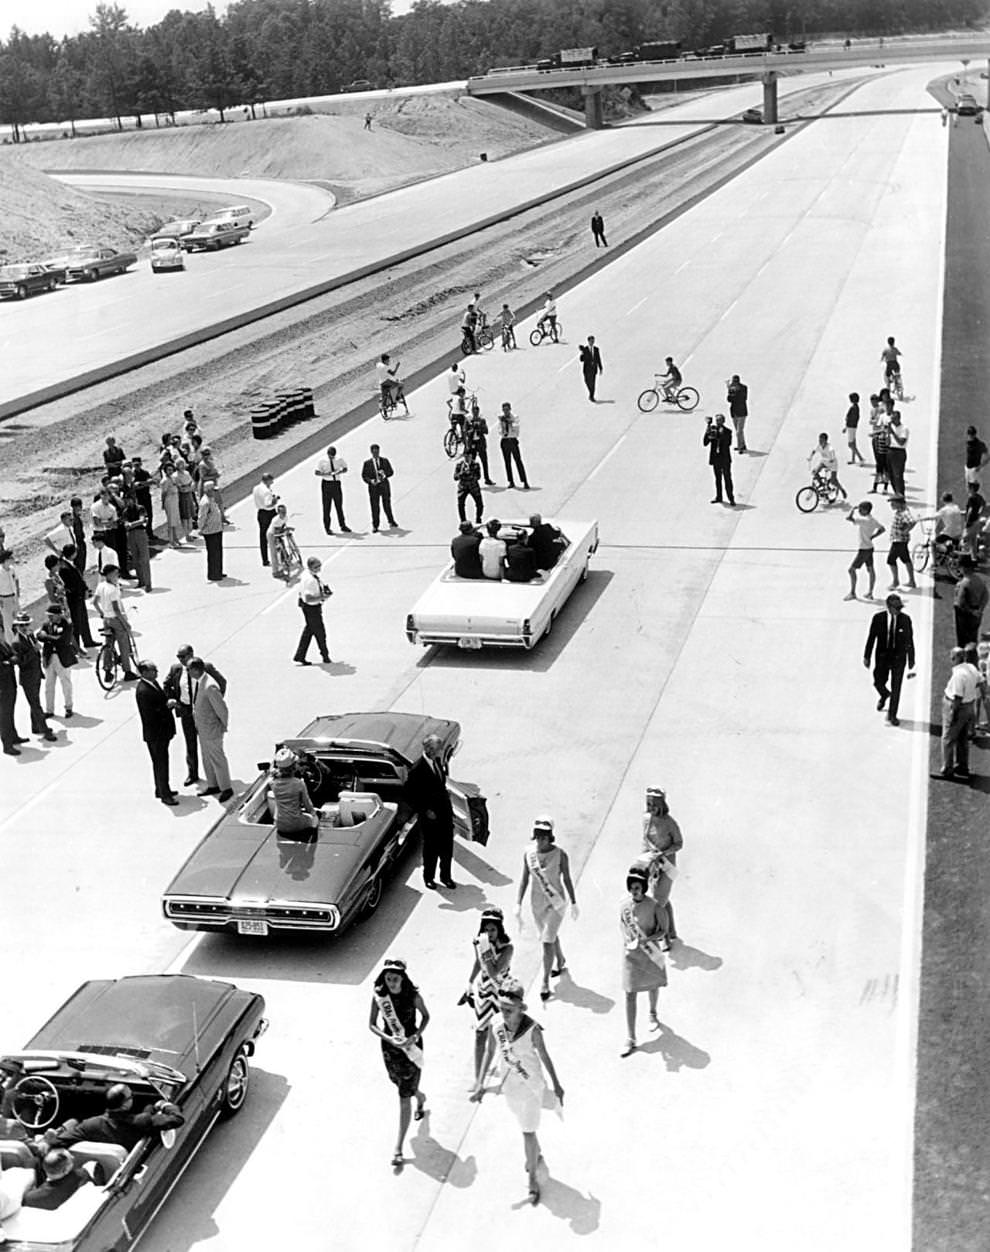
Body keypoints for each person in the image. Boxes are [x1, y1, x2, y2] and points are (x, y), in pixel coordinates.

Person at [469, 980, 564, 1206]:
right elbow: (490, 1052)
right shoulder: (497, 1026)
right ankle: (536, 1154)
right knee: (524, 1125)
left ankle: (532, 1178)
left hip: (531, 1086)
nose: (503, 1014)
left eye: (509, 1010)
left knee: (527, 1132)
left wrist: (557, 1084)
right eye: (501, 1008)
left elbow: (545, 1056)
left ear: (520, 1009)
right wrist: (480, 1082)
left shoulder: (532, 1029)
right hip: (510, 1087)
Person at [368, 959, 428, 1168]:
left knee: (403, 1097)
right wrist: (389, 1038)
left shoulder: (413, 996)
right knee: (401, 1085)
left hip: (411, 1049)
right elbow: (372, 1024)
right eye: (388, 978)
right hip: (390, 1049)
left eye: (395, 978)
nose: (391, 982)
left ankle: (399, 1148)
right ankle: (420, 1097)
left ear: (403, 978)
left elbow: (426, 1016)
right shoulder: (379, 997)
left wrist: (416, 1035)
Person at [516, 817, 577, 1001]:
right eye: (538, 836)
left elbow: (566, 878)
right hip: (537, 903)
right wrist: (518, 903)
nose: (541, 840)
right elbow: (525, 879)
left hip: (556, 903)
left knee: (547, 941)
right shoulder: (528, 853)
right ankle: (561, 960)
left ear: (550, 836)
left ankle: (544, 982)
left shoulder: (560, 855)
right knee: (548, 935)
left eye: (544, 836)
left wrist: (574, 902)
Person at [619, 864, 668, 1057]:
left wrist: (646, 940)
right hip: (631, 954)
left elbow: (663, 930)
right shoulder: (624, 905)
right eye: (631, 886)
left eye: (637, 886)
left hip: (650, 952)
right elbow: (622, 925)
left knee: (652, 986)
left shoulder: (655, 905)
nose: (634, 890)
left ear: (643, 887)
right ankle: (630, 1037)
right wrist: (627, 941)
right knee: (629, 993)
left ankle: (653, 1013)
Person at [49, 1083, 183, 1152]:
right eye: (131, 1097)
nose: (133, 1098)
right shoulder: (142, 1122)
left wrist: (50, 1137)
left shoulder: (91, 1124)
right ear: (125, 1105)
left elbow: (58, 1141)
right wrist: (163, 1104)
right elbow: (177, 1118)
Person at [463, 908, 514, 1085]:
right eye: (486, 930)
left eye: (492, 929)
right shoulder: (481, 944)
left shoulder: (507, 949)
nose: (489, 933)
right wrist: (469, 983)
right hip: (484, 993)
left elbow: (494, 972)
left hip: (501, 995)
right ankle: (478, 1079)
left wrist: (484, 949)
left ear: (499, 929)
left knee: (497, 1038)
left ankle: (492, 1068)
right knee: (479, 1035)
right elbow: (479, 963)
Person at [163, 645, 226, 786]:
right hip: (186, 711)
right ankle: (193, 774)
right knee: (190, 744)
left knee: (209, 745)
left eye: (183, 656)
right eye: (178, 657)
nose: (181, 660)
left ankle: (216, 776)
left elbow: (222, 682)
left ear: (191, 654)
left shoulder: (205, 667)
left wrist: (215, 702)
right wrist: (172, 699)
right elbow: (166, 685)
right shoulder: (176, 669)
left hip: (203, 713)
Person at [405, 733, 456, 889]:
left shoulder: (437, 762)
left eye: (439, 749)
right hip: (430, 818)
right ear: (427, 748)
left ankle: (446, 876)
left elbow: (440, 784)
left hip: (444, 813)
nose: (438, 752)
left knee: (447, 848)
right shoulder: (417, 769)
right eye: (435, 749)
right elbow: (409, 794)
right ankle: (429, 877)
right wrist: (425, 810)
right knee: (431, 850)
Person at [864, 592, 915, 726]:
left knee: (897, 686)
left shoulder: (905, 619)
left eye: (900, 608)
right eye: (896, 608)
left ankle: (892, 714)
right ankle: (884, 694)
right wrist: (867, 656)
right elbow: (871, 637)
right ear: (889, 607)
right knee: (878, 680)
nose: (899, 611)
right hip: (882, 657)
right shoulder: (878, 618)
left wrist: (911, 658)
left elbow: (909, 640)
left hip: (899, 658)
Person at [640, 786, 682, 944]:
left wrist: (664, 853)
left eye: (653, 805)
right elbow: (645, 840)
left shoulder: (670, 823)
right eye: (648, 804)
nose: (651, 808)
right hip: (652, 865)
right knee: (663, 899)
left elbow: (679, 843)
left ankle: (664, 937)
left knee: (658, 902)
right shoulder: (646, 819)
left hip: (667, 866)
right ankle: (671, 931)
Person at [188, 657, 233, 802]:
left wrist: (222, 726)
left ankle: (226, 788)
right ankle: (213, 784)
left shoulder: (209, 686)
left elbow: (222, 710)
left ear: (195, 670)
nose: (187, 672)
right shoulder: (201, 682)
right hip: (203, 729)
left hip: (212, 729)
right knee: (207, 758)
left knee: (217, 758)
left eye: (189, 669)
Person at [933, 647, 980, 780]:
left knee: (947, 738)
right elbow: (980, 681)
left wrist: (953, 714)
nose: (951, 660)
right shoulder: (971, 667)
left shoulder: (959, 675)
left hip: (957, 707)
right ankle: (962, 766)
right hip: (969, 706)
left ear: (957, 658)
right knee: (962, 738)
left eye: (952, 657)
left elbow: (957, 697)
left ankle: (947, 769)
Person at [135, 660, 177, 805]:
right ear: (145, 672)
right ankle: (165, 794)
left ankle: (161, 789)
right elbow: (151, 714)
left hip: (160, 733)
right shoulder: (143, 691)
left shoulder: (152, 684)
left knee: (160, 762)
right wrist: (168, 706)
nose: (156, 673)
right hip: (156, 734)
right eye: (153, 670)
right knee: (161, 763)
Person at [11, 613, 57, 743]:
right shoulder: (17, 642)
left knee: (35, 703)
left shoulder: (30, 636)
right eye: (21, 625)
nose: (25, 627)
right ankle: (45, 730)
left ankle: (36, 726)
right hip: (28, 678)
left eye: (26, 624)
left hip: (36, 674)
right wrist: (33, 649)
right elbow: (21, 661)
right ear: (17, 626)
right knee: (36, 705)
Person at [93, 564, 138, 681]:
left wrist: (102, 613)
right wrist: (125, 623)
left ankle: (107, 670)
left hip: (106, 619)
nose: (117, 576)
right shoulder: (112, 589)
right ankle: (127, 671)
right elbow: (116, 609)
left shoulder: (101, 586)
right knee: (123, 644)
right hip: (115, 619)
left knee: (109, 645)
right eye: (115, 573)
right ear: (109, 574)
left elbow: (94, 602)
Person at [38, 603, 76, 720]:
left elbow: (63, 640)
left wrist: (47, 637)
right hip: (50, 657)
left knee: (66, 683)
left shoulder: (67, 624)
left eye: (52, 615)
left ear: (59, 615)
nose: (49, 618)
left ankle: (68, 707)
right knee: (49, 685)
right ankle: (49, 710)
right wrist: (49, 637)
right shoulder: (47, 624)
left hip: (62, 658)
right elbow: (39, 636)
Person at [269, 747, 319, 834]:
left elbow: (273, 774)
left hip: (279, 824)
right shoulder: (299, 783)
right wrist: (315, 815)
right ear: (294, 766)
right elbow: (308, 805)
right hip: (296, 824)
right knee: (313, 820)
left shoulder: (273, 783)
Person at [293, 557, 333, 665]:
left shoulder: (307, 574)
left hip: (307, 607)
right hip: (311, 608)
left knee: (309, 631)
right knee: (320, 633)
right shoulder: (310, 580)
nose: (319, 568)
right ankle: (325, 656)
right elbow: (309, 599)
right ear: (310, 567)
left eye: (319, 565)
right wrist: (323, 596)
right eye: (316, 567)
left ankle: (300, 655)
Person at [23, 1150, 91, 1211]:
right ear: (65, 1170)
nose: (73, 1157)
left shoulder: (31, 1198)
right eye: (71, 1159)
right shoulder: (82, 1176)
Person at [845, 501, 885, 600]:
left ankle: (853, 592)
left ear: (865, 510)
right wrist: (873, 537)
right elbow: (882, 529)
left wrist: (852, 510)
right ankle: (870, 592)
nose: (859, 511)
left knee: (851, 570)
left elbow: (848, 518)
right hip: (870, 547)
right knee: (870, 569)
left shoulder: (864, 520)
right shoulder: (872, 520)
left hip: (863, 549)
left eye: (860, 509)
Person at [314, 447, 351, 535]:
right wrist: (325, 474)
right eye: (330, 456)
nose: (332, 458)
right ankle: (327, 527)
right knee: (327, 507)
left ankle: (342, 525)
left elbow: (345, 468)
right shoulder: (322, 461)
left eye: (333, 456)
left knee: (339, 506)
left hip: (336, 483)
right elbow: (316, 472)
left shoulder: (339, 459)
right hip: (327, 483)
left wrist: (340, 472)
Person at [361, 444, 398, 532]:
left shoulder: (385, 461)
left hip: (384, 486)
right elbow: (364, 475)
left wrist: (384, 474)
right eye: (374, 452)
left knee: (387, 504)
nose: (376, 454)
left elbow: (391, 472)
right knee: (375, 506)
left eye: (377, 452)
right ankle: (375, 525)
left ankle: (391, 521)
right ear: (371, 452)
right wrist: (370, 481)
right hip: (374, 488)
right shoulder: (367, 463)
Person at [954, 555, 988, 647]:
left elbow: (960, 603)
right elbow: (986, 596)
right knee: (973, 639)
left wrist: (971, 611)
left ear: (964, 568)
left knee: (963, 642)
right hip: (977, 614)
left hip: (966, 616)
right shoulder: (979, 580)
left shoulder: (964, 583)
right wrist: (979, 610)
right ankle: (973, 657)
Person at [0, 622, 24, 755]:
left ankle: (13, 736)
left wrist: (9, 661)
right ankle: (7, 744)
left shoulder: (4, 644)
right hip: (2, 687)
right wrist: (9, 661)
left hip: (10, 683)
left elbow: (14, 655)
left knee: (10, 712)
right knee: (5, 716)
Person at [886, 495, 917, 590]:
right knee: (906, 559)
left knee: (890, 560)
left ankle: (895, 581)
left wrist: (906, 530)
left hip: (899, 541)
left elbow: (912, 521)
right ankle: (912, 581)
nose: (891, 504)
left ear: (899, 503)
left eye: (893, 503)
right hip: (899, 540)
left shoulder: (904, 513)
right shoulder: (900, 512)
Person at [704, 414, 735, 506]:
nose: (718, 422)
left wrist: (720, 435)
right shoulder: (712, 429)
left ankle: (731, 498)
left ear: (723, 421)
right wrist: (708, 431)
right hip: (716, 458)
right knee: (717, 479)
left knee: (727, 478)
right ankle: (719, 496)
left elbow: (728, 443)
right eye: (717, 420)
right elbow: (705, 442)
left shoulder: (728, 431)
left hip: (724, 458)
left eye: (720, 420)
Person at [198, 482, 225, 582]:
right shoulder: (205, 502)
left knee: (218, 551)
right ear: (208, 490)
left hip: (217, 529)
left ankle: (218, 571)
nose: (215, 492)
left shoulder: (212, 500)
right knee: (213, 553)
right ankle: (213, 574)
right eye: (213, 490)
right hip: (210, 530)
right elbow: (202, 517)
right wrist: (201, 528)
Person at [498, 403, 529, 489]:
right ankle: (511, 481)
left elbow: (516, 429)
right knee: (507, 462)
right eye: (504, 410)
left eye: (507, 409)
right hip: (505, 441)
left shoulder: (514, 417)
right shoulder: (501, 418)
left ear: (510, 409)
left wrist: (509, 423)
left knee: (518, 460)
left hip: (512, 440)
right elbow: (500, 431)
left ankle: (524, 481)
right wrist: (503, 425)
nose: (506, 411)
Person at [808, 432, 847, 501]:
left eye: (821, 440)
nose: (820, 442)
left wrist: (829, 463)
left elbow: (832, 458)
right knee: (815, 472)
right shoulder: (819, 446)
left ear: (825, 440)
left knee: (833, 481)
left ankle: (842, 490)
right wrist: (810, 457)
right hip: (824, 462)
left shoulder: (830, 449)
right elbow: (814, 451)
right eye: (819, 440)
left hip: (832, 465)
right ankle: (821, 484)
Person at [123, 499, 152, 591]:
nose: (128, 502)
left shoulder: (140, 508)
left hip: (140, 533)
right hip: (131, 534)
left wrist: (131, 524)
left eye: (129, 499)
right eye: (126, 500)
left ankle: (148, 583)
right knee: (135, 559)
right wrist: (130, 525)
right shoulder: (126, 511)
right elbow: (125, 524)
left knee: (144, 559)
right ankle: (141, 580)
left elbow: (142, 520)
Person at [464, 401, 493, 485]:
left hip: (480, 443)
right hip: (472, 443)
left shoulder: (482, 420)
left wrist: (480, 427)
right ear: (472, 412)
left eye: (477, 412)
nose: (476, 414)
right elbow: (465, 431)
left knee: (484, 461)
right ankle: (471, 479)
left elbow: (486, 431)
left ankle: (487, 478)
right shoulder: (469, 420)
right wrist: (472, 429)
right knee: (471, 462)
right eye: (474, 412)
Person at [252, 472, 278, 564]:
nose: (272, 482)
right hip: (269, 513)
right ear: (267, 480)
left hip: (260, 513)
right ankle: (279, 554)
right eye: (271, 481)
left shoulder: (256, 488)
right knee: (275, 533)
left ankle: (265, 559)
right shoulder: (266, 491)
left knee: (262, 536)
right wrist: (274, 501)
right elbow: (268, 504)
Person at [267, 504, 297, 581]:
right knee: (274, 553)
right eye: (282, 512)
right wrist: (286, 530)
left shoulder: (286, 517)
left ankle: (284, 561)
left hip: (279, 533)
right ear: (278, 513)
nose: (284, 513)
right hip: (272, 534)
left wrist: (287, 529)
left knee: (282, 547)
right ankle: (275, 571)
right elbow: (277, 530)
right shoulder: (276, 520)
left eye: (285, 511)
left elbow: (283, 526)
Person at [454, 448, 484, 524]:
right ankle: (463, 521)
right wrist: (462, 472)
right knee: (461, 505)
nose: (467, 458)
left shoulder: (476, 465)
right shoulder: (459, 465)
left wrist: (469, 472)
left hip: (473, 487)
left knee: (479, 504)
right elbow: (455, 477)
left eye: (469, 456)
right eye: (466, 456)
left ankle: (478, 519)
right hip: (463, 487)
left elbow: (478, 477)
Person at [870, 399, 891, 494]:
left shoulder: (892, 417)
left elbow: (887, 430)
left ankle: (885, 488)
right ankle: (875, 487)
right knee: (879, 467)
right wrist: (876, 432)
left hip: (886, 447)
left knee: (886, 469)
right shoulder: (882, 417)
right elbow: (879, 427)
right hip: (879, 444)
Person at [160, 466, 184, 548]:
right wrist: (163, 503)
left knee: (175, 520)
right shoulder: (164, 481)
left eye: (171, 470)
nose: (170, 471)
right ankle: (171, 540)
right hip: (169, 500)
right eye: (168, 470)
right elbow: (163, 493)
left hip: (175, 500)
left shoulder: (173, 478)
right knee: (170, 521)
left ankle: (176, 538)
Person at [886, 412, 909, 497]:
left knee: (898, 475)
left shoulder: (903, 429)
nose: (892, 421)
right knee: (891, 475)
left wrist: (892, 432)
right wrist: (888, 433)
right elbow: (887, 443)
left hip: (899, 452)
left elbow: (901, 443)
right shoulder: (891, 429)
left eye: (893, 419)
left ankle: (901, 494)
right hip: (890, 451)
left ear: (898, 418)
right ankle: (896, 493)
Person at [0, 548, 20, 639]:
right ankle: (11, 644)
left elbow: (16, 579)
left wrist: (18, 592)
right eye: (11, 557)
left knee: (18, 620)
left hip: (14, 597)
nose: (13, 559)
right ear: (6, 560)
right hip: (4, 599)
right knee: (8, 623)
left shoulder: (11, 569)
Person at [964, 480, 986, 559]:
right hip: (977, 520)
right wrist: (980, 513)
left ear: (972, 489)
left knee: (965, 539)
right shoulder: (979, 497)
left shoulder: (971, 498)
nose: (967, 489)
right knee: (973, 540)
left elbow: (970, 510)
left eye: (969, 487)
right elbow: (984, 504)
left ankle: (964, 558)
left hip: (971, 521)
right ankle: (973, 558)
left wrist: (967, 522)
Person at [726, 374, 749, 453]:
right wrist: (730, 391)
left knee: (739, 431)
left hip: (742, 412)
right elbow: (729, 399)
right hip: (734, 412)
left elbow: (743, 398)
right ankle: (743, 444)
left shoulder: (743, 388)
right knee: (739, 431)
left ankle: (740, 448)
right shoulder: (732, 389)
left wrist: (733, 392)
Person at [579, 335, 603, 401]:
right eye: (591, 341)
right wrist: (582, 352)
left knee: (593, 383)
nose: (592, 342)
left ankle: (591, 396)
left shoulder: (596, 349)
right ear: (588, 341)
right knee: (587, 381)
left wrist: (600, 368)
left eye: (593, 341)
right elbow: (581, 359)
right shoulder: (585, 349)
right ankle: (591, 392)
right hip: (586, 369)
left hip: (593, 369)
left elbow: (598, 359)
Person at [843, 392, 864, 464]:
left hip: (851, 427)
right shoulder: (856, 407)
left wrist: (846, 427)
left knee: (850, 444)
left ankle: (860, 458)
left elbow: (850, 418)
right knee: (854, 444)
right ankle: (853, 459)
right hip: (853, 427)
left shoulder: (853, 408)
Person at [69, 497, 88, 573]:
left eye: (79, 506)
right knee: (79, 565)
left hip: (80, 542)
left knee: (81, 564)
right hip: (77, 543)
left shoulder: (76, 517)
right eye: (77, 506)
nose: (79, 508)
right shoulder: (72, 519)